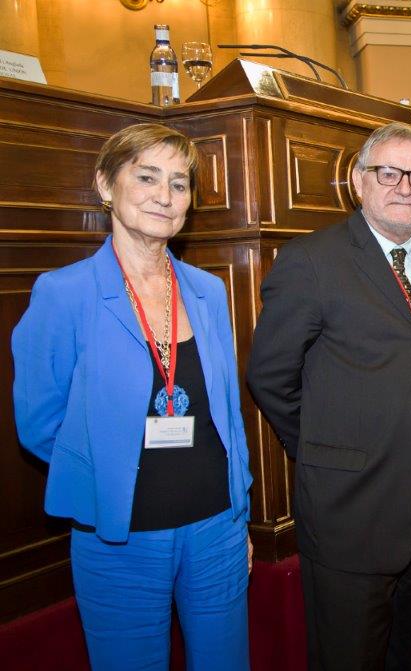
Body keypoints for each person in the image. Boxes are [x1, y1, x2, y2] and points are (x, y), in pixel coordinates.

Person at [12, 123, 253, 670]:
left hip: (216, 530)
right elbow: (39, 423)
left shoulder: (209, 291)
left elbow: (228, 416)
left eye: (179, 183)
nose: (164, 196)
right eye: (146, 178)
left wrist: (240, 517)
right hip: (119, 538)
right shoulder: (63, 293)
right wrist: (108, 469)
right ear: (105, 184)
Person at [246, 121, 411, 670]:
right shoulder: (311, 260)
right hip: (352, 502)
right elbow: (270, 375)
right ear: (358, 180)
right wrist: (327, 447)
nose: (405, 187)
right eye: (389, 173)